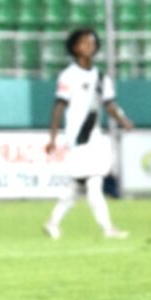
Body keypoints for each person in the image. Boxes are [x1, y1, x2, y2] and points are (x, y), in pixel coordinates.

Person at [43, 28, 133, 240]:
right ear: (75, 47)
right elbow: (59, 106)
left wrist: (123, 120)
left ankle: (53, 223)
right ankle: (107, 228)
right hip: (78, 137)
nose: (90, 46)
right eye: (85, 42)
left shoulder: (101, 77)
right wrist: (53, 138)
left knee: (79, 186)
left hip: (94, 136)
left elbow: (109, 105)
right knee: (92, 182)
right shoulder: (69, 76)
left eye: (92, 42)